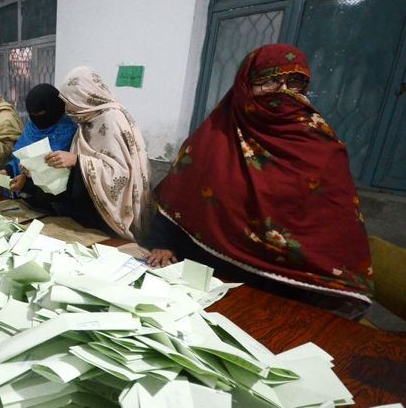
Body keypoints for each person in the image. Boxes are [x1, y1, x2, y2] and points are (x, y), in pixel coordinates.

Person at [145, 43, 373, 317]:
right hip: (201, 277)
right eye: (269, 81)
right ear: (245, 85)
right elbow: (179, 195)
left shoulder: (321, 144)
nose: (283, 91)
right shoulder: (213, 137)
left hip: (281, 292)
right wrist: (163, 242)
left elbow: (337, 228)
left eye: (294, 82)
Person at [47, 66, 152, 241]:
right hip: (89, 207)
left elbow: (122, 176)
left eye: (68, 101)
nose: (65, 108)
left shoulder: (112, 119)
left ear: (83, 96)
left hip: (109, 217)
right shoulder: (86, 120)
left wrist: (77, 160)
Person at [0, 83, 77, 211]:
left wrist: (30, 177)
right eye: (33, 115)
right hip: (28, 200)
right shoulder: (31, 128)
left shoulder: (70, 131)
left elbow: (66, 173)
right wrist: (7, 171)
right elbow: (20, 157)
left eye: (41, 114)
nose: (37, 120)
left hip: (57, 205)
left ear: (55, 108)